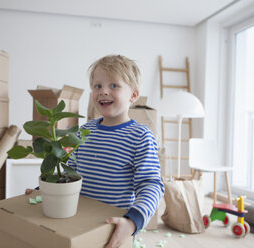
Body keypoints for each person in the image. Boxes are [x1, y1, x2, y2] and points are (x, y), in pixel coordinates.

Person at [27, 55, 164, 248]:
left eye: (114, 85)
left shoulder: (140, 136)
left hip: (113, 227)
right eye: (97, 86)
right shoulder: (86, 131)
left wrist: (132, 222)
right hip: (77, 221)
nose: (103, 91)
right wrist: (45, 191)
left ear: (133, 95)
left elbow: (151, 184)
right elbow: (70, 170)